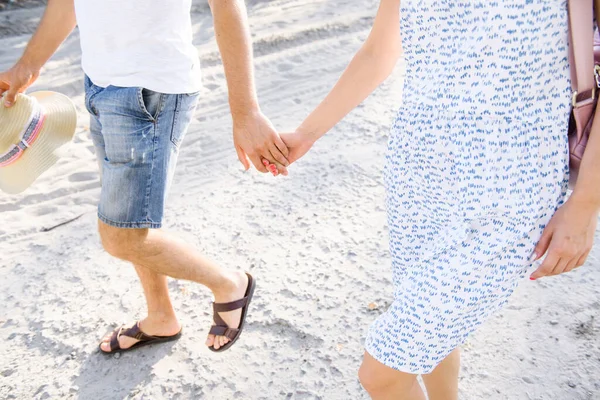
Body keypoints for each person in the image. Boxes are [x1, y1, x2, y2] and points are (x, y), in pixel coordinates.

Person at [265, 0, 600, 398]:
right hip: (417, 177)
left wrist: (583, 207)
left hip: (509, 193)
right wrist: (307, 134)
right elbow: (379, 51)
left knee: (383, 372)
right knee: (433, 335)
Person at [0, 0, 288, 353]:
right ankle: (161, 316)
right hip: (100, 83)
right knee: (132, 216)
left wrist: (246, 112)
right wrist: (28, 64)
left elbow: (227, 5)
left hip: (149, 94)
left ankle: (230, 283)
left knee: (121, 236)